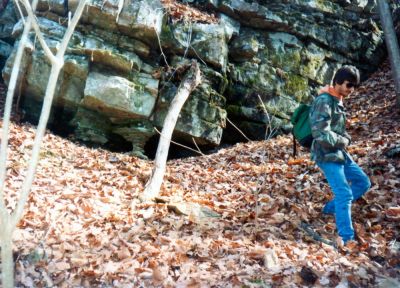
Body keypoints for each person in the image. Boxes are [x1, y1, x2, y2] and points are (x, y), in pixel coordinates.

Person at [309, 65, 371, 246]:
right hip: (326, 154)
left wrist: (345, 138)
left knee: (363, 182)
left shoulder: (338, 99)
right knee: (344, 194)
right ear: (337, 82)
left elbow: (336, 129)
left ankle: (330, 209)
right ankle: (347, 238)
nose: (351, 89)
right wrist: (343, 141)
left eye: (354, 86)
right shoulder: (324, 101)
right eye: (348, 85)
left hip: (338, 152)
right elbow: (320, 132)